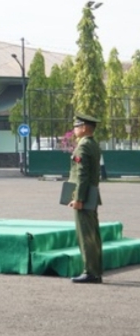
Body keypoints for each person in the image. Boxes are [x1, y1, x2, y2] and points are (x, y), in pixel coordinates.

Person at [68, 113, 103, 284]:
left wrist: (78, 198)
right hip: (93, 193)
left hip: (85, 195)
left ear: (84, 128)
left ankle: (90, 272)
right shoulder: (93, 144)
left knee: (85, 234)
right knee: (93, 234)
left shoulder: (82, 147)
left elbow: (82, 175)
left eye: (76, 126)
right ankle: (95, 270)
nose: (74, 129)